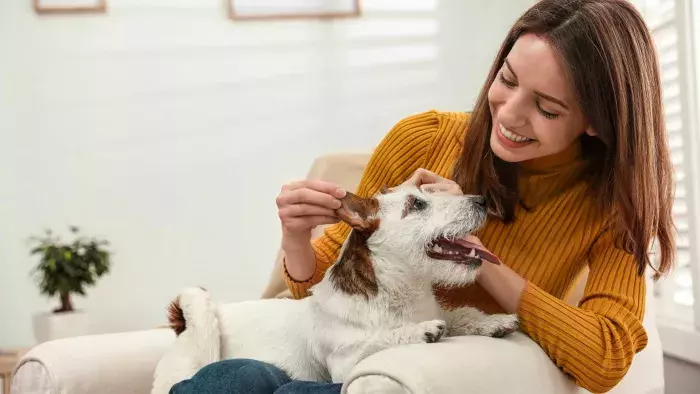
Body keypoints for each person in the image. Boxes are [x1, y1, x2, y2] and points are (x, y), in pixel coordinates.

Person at [170, 0, 675, 393]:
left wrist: (469, 245)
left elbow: (603, 360)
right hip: (346, 357)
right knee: (235, 382)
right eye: (507, 79)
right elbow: (319, 288)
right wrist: (296, 238)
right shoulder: (426, 138)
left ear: (597, 123)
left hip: (444, 377)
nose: (509, 114)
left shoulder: (615, 212)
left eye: (546, 107)